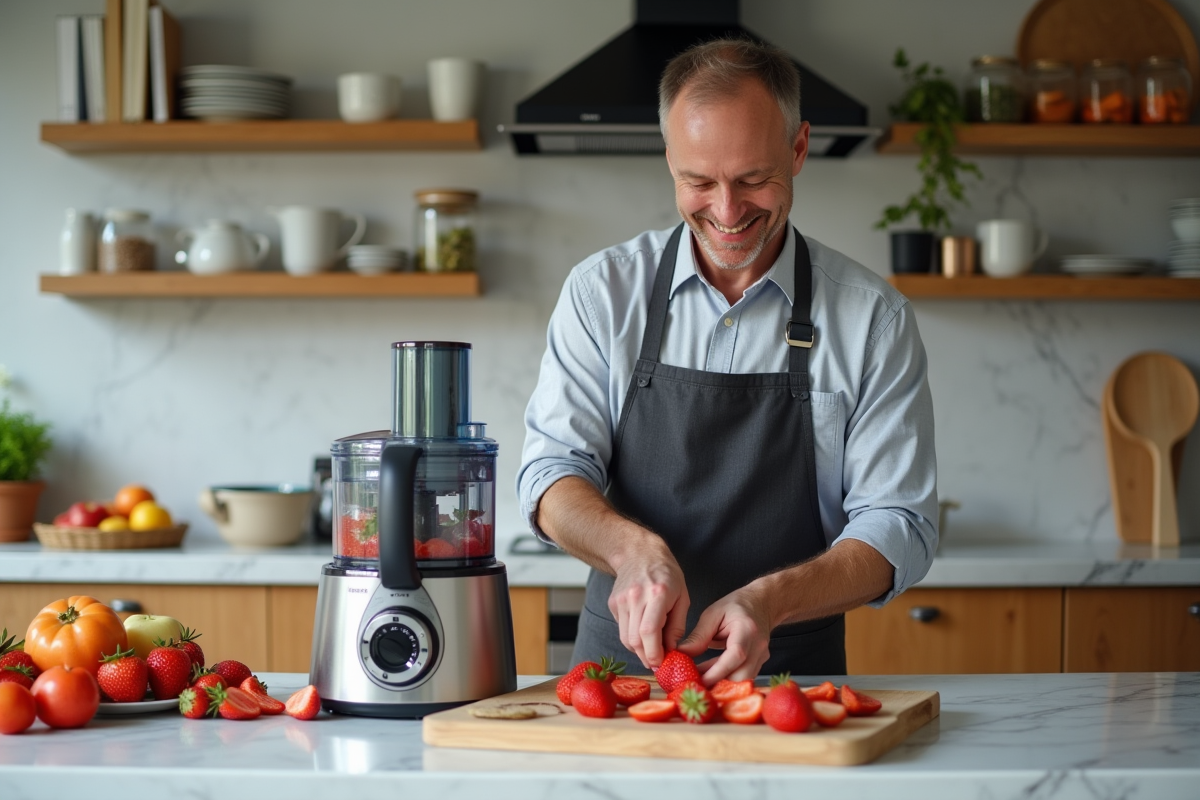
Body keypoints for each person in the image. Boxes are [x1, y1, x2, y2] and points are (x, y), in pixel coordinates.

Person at [517, 38, 938, 684]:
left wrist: (769, 601)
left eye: (752, 179)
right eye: (699, 181)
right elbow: (550, 475)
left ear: (798, 150)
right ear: (668, 160)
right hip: (620, 678)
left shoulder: (871, 318)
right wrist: (633, 551)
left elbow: (898, 525)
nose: (727, 210)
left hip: (789, 686)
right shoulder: (602, 293)